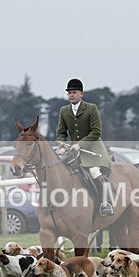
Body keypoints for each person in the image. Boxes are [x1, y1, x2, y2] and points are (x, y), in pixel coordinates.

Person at [56, 78, 113, 216]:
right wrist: (62, 146)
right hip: (71, 150)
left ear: (81, 94)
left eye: (74, 92)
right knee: (57, 168)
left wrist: (79, 144)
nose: (71, 95)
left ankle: (107, 203)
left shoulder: (91, 108)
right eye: (69, 92)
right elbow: (61, 132)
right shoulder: (64, 111)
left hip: (92, 149)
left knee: (94, 171)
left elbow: (96, 132)